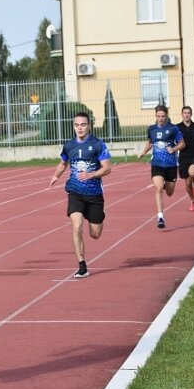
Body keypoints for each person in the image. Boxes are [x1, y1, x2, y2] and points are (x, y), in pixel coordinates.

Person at [49, 112, 112, 279]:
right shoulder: (69, 146)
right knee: (76, 226)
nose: (80, 128)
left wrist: (91, 175)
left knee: (95, 234)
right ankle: (82, 265)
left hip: (94, 194)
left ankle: (99, 216)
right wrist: (56, 176)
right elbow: (63, 163)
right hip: (75, 192)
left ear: (89, 126)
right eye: (77, 125)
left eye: (83, 125)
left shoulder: (98, 145)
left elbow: (107, 167)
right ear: (73, 126)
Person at [137, 104, 185, 229]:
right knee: (158, 188)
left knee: (169, 192)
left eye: (163, 116)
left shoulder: (173, 129)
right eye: (158, 116)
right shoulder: (151, 129)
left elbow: (182, 144)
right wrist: (143, 152)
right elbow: (149, 142)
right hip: (157, 164)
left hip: (171, 165)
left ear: (166, 116)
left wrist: (173, 148)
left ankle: (165, 184)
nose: (161, 118)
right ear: (155, 116)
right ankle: (160, 217)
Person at [176, 106, 194, 212]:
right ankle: (193, 201)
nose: (187, 114)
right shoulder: (177, 127)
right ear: (182, 114)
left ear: (191, 114)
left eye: (188, 113)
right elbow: (173, 139)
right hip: (184, 156)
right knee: (187, 183)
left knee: (192, 172)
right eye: (185, 113)